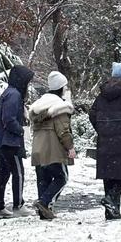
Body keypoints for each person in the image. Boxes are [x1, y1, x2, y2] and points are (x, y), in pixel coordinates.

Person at [89, 61, 121, 220]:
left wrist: (102, 129)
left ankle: (111, 212)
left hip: (105, 140)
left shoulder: (102, 95)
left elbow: (92, 113)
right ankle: (111, 201)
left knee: (109, 176)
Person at [0, 64, 35, 218]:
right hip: (9, 141)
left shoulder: (8, 93)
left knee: (3, 173)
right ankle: (18, 204)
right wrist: (21, 130)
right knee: (18, 172)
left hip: (0, 141)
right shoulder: (14, 95)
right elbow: (8, 119)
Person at [28, 70, 76, 220]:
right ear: (61, 88)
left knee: (43, 180)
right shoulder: (59, 107)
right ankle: (44, 202)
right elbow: (63, 131)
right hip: (53, 150)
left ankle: (44, 211)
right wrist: (70, 147)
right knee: (62, 178)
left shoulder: (38, 107)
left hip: (38, 149)